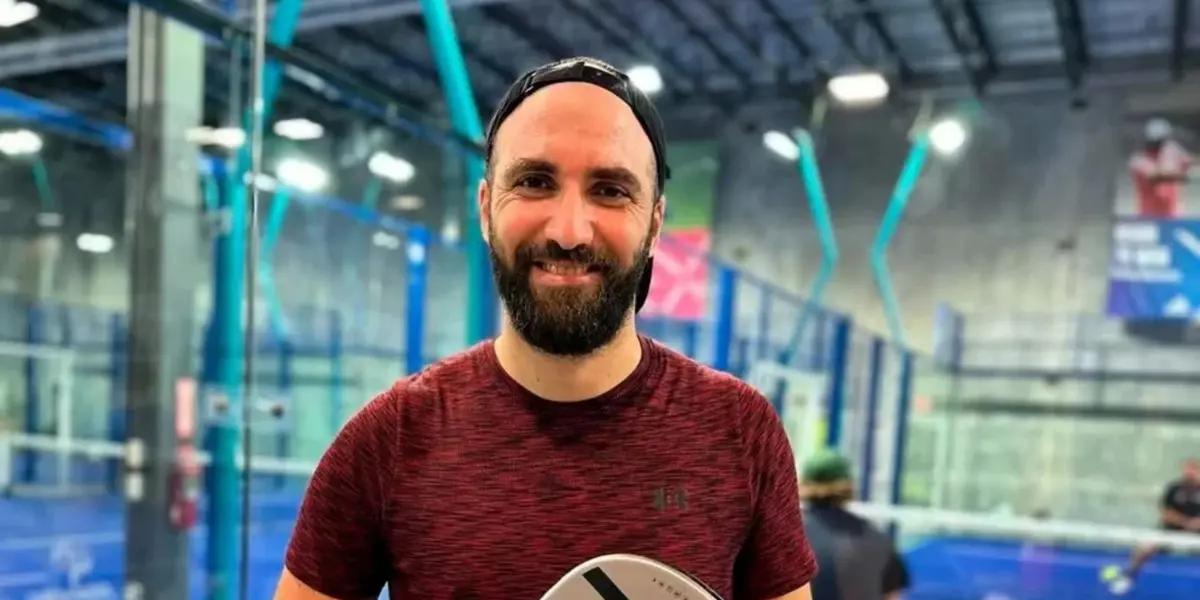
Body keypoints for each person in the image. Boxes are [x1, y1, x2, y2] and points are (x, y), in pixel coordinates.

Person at [274, 57, 817, 600]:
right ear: (486, 209)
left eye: (610, 190)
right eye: (534, 182)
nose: (569, 232)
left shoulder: (740, 431)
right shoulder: (388, 440)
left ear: (654, 225)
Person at [800, 450, 909, 600]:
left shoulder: (786, 536)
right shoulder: (875, 538)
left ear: (803, 484)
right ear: (848, 486)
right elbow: (891, 596)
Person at [1102, 458, 1200, 595]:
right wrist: (1185, 522)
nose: (1189, 472)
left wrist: (1196, 524)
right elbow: (1165, 513)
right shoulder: (1174, 488)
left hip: (1196, 536)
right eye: (1186, 469)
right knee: (1145, 546)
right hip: (1170, 532)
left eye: (1193, 469)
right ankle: (1128, 578)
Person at [1128, 118, 1192, 218]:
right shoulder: (1138, 160)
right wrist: (1178, 173)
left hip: (1172, 214)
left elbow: (1188, 162)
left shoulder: (1172, 152)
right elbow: (1155, 176)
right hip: (1149, 216)